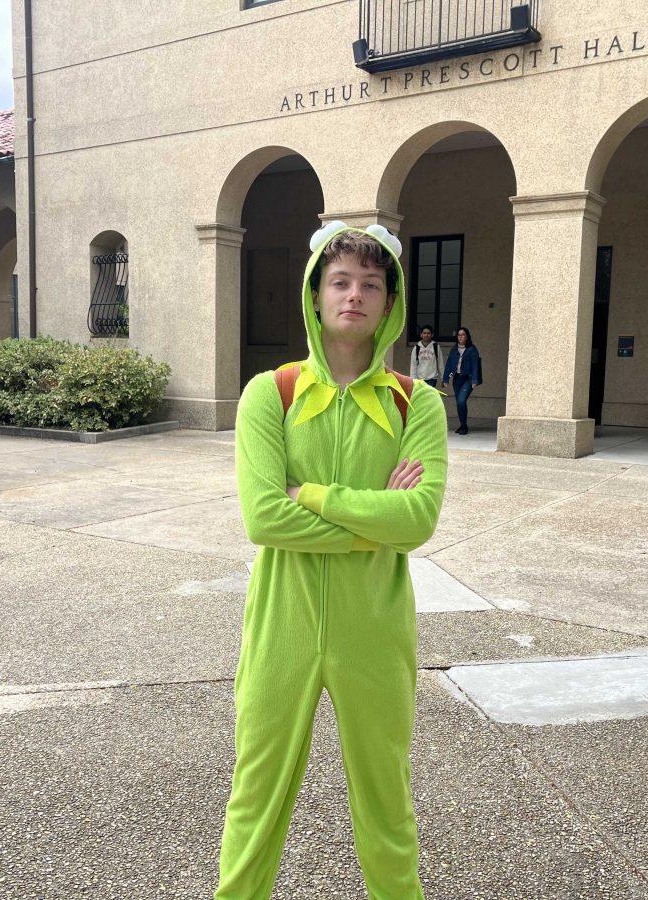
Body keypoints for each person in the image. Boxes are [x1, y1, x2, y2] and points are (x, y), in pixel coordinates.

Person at [216, 223, 447, 899]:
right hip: (280, 625)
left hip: (375, 628)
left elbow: (421, 519)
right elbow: (263, 517)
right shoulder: (272, 393)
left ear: (390, 300)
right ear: (315, 294)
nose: (355, 295)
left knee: (385, 800)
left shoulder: (417, 402)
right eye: (340, 281)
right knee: (255, 795)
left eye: (371, 284)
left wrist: (312, 495)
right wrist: (377, 521)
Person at [441, 326, 482, 435]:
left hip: (467, 379)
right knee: (459, 403)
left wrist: (474, 380)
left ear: (467, 336)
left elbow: (475, 365)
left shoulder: (472, 349)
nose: (461, 337)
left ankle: (464, 426)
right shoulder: (454, 349)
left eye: (463, 334)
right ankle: (462, 425)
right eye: (459, 335)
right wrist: (446, 379)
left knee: (461, 401)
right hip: (457, 379)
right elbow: (449, 365)